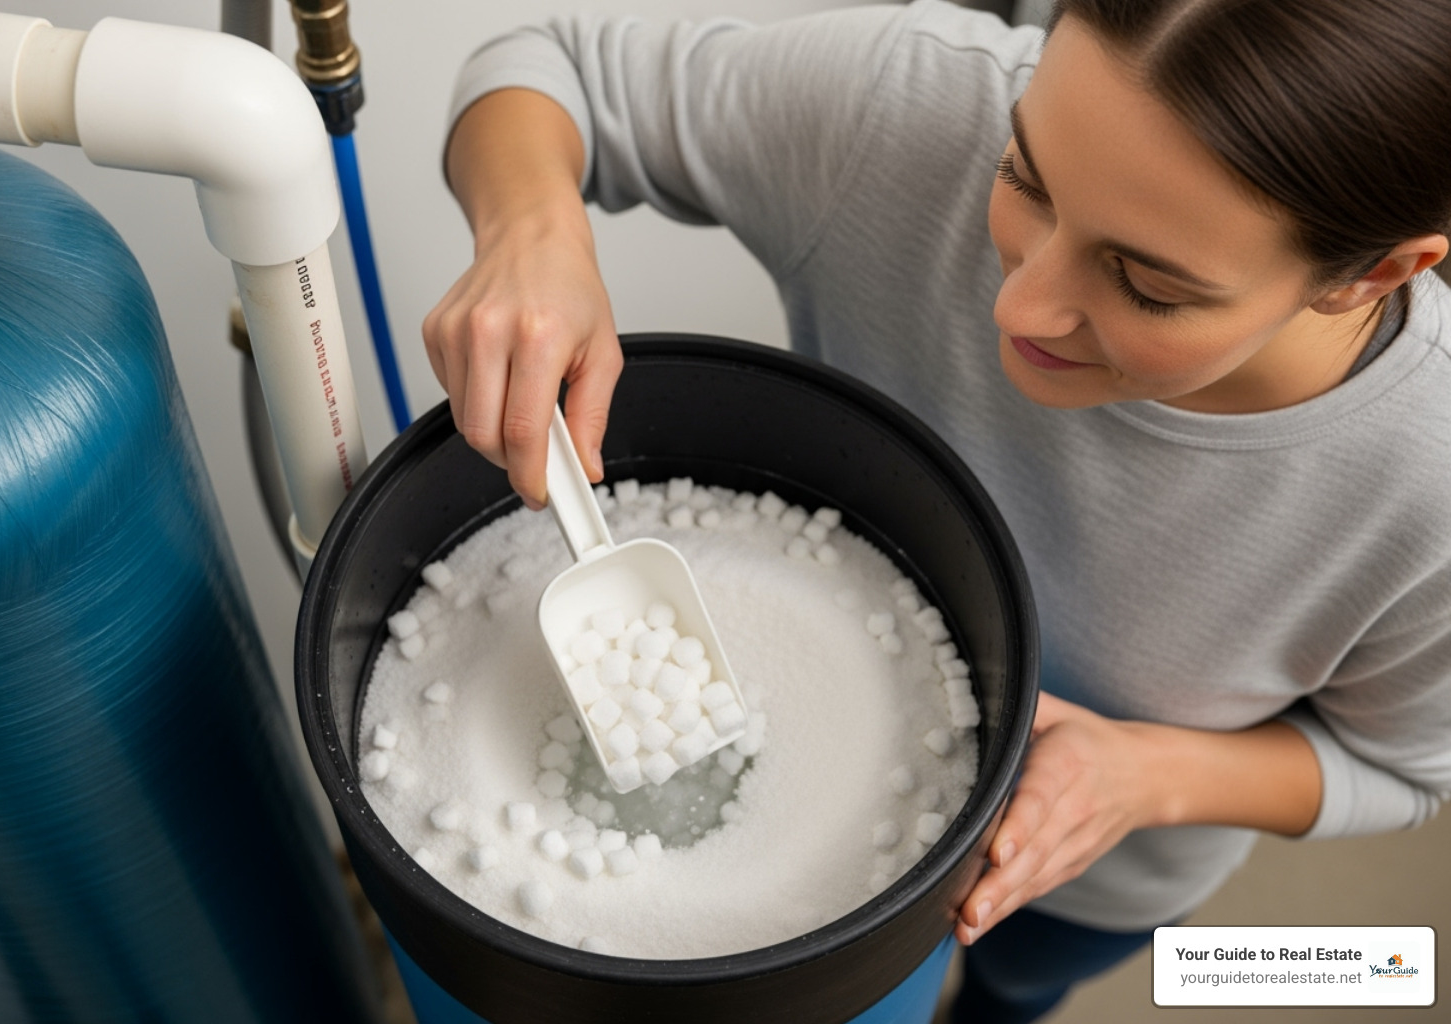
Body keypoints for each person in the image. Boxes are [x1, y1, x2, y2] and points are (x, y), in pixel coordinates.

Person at [422, 0, 1451, 1019]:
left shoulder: (1426, 484)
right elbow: (547, 66)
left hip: (1088, 876)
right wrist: (530, 233)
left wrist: (1145, 776)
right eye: (1025, 177)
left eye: (1147, 285)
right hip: (832, 837)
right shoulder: (909, 114)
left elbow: (1404, 771)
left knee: (1018, 986)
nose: (1019, 309)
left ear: (1374, 274)